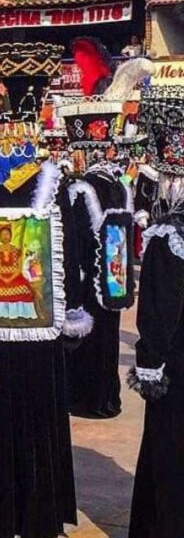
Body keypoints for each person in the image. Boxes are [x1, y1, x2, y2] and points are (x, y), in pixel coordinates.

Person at [0, 31, 84, 534]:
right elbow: (70, 260)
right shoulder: (55, 180)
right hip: (37, 330)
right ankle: (36, 511)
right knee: (35, 415)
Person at [58, 44, 148, 420]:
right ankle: (107, 398)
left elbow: (71, 245)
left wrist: (71, 293)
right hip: (113, 284)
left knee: (87, 345)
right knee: (108, 343)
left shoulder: (79, 188)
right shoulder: (121, 186)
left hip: (86, 285)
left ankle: (86, 399)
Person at [126, 84, 184, 537]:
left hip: (179, 371)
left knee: (171, 450)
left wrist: (150, 364)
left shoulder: (168, 236)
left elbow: (160, 313)